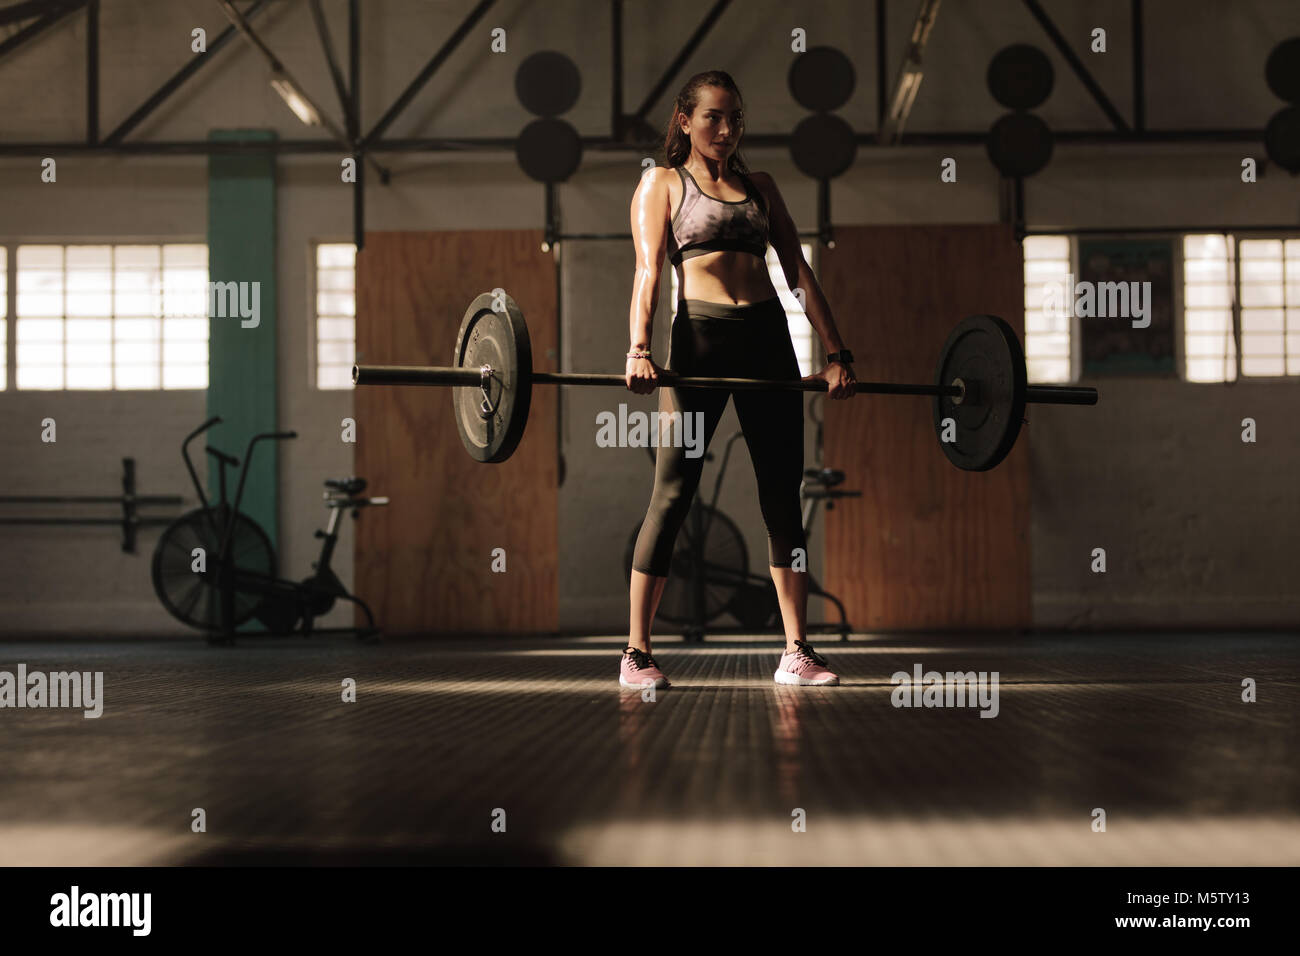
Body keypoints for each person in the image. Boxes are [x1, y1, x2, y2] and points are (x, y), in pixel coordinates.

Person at [621, 70, 857, 690]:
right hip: (698, 342)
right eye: (712, 118)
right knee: (673, 494)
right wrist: (640, 348)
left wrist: (838, 353)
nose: (725, 130)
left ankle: (797, 650)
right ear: (684, 121)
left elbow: (799, 273)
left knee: (783, 496)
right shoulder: (662, 184)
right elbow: (648, 272)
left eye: (734, 119)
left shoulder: (762, 187)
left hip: (767, 343)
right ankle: (637, 653)